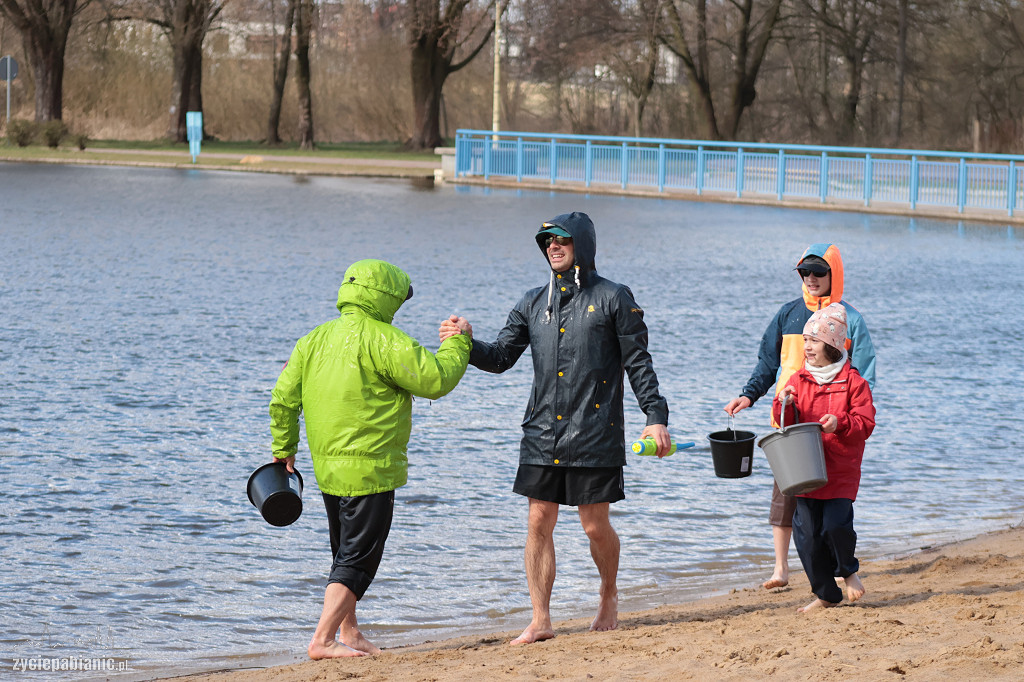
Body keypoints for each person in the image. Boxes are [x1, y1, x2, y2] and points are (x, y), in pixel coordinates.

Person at [441, 211, 671, 645]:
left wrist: (655, 418)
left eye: (561, 239)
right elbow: (500, 357)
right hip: (542, 433)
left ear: (581, 243)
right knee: (538, 521)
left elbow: (638, 363)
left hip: (596, 431)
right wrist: (464, 342)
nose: (552, 246)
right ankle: (541, 618)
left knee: (593, 525)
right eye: (546, 241)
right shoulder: (532, 302)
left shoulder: (615, 298)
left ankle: (608, 593)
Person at [269, 259, 471, 658]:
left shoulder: (311, 340)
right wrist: (458, 341)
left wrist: (284, 449)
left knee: (343, 551)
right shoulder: (385, 339)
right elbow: (435, 380)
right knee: (359, 560)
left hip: (327, 468)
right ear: (385, 297)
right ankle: (322, 641)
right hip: (372, 468)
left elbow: (282, 400)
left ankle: (350, 632)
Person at [723, 243, 875, 590]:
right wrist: (749, 395)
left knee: (831, 510)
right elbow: (767, 363)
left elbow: (864, 373)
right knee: (785, 499)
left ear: (833, 274)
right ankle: (781, 569)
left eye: (818, 272)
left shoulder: (852, 319)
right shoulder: (787, 313)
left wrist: (849, 415)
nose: (810, 279)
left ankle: (841, 569)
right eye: (804, 272)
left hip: (834, 426)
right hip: (789, 422)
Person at [772, 303, 875, 612]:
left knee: (835, 527)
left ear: (831, 345)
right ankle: (826, 595)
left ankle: (848, 571)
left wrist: (839, 423)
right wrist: (784, 404)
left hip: (839, 471)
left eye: (813, 341)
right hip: (803, 471)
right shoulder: (797, 380)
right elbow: (785, 424)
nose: (806, 347)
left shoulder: (854, 382)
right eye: (805, 341)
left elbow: (865, 424)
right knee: (807, 538)